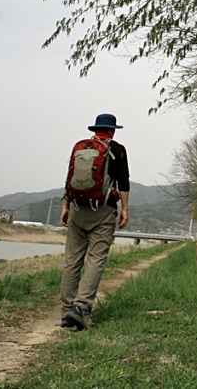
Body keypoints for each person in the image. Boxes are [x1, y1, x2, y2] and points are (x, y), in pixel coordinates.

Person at [59, 113, 130, 330]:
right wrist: (125, 208)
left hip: (77, 208)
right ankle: (81, 307)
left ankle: (66, 310)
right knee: (96, 259)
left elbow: (69, 178)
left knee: (72, 260)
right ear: (112, 130)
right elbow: (123, 181)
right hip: (102, 210)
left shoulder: (80, 148)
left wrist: (65, 205)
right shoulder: (117, 149)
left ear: (95, 129)